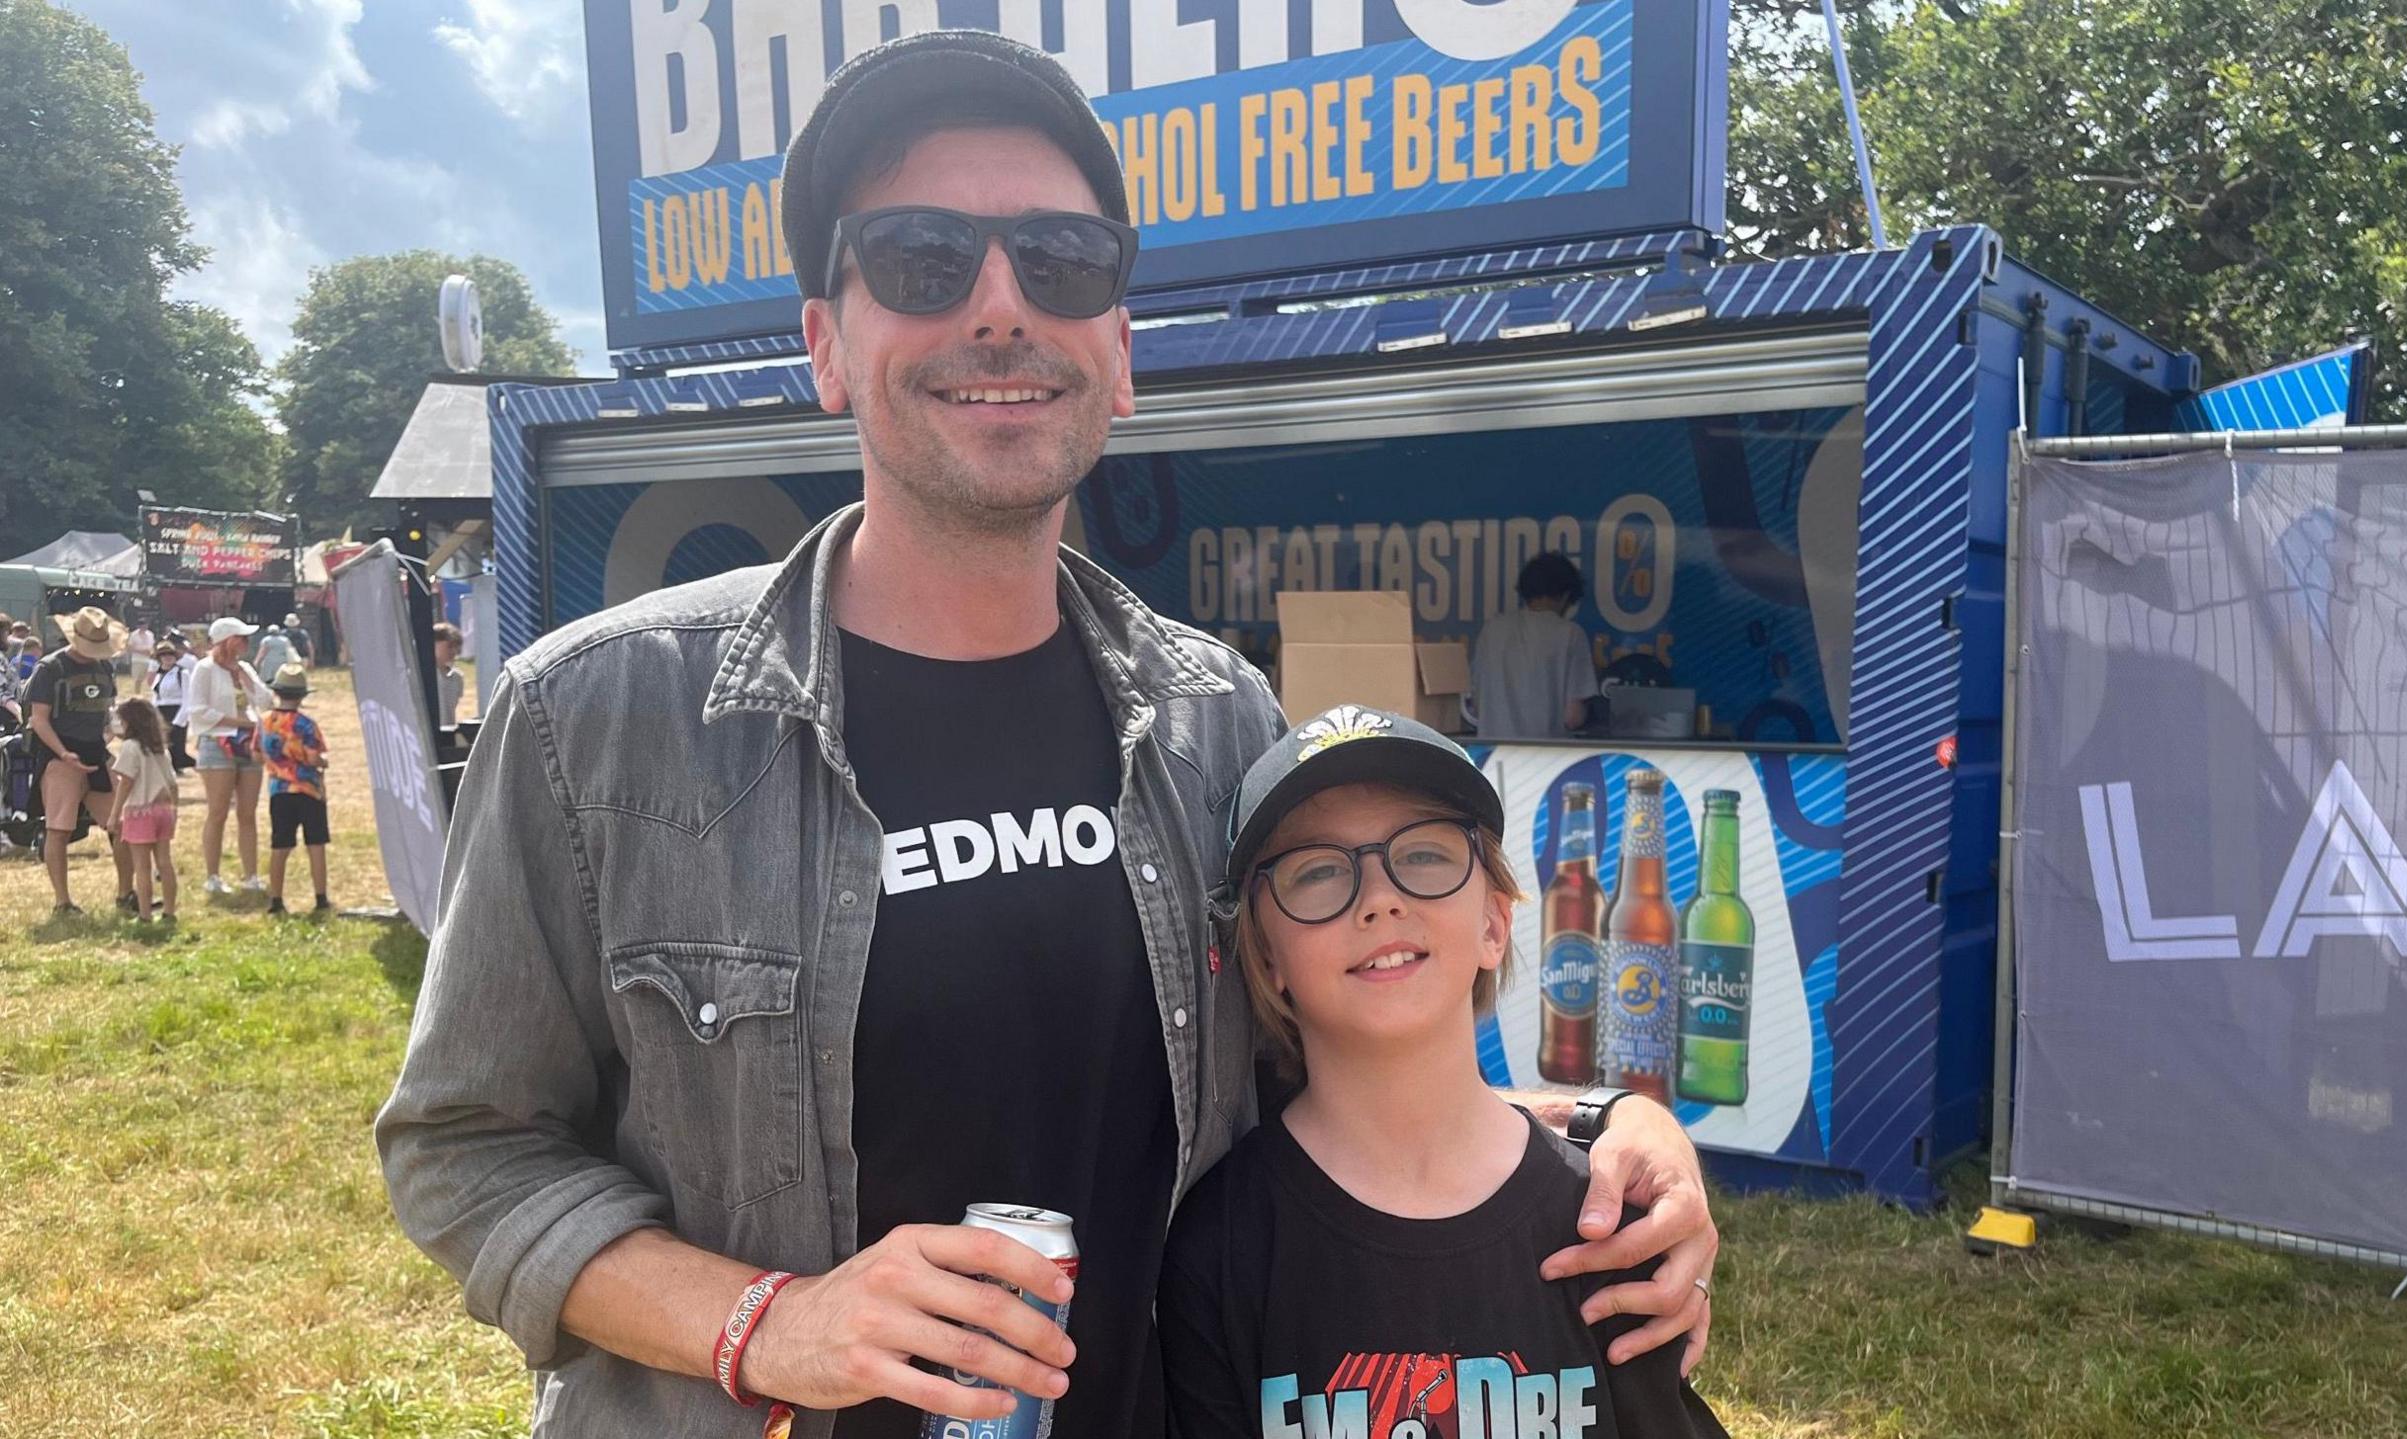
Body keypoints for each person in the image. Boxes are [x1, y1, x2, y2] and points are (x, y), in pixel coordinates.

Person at [377, 31, 1717, 1439]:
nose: (1001, 307)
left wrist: (1603, 1130)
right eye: (920, 255)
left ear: (1120, 353)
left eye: (1064, 261)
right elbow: (468, 1150)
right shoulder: (596, 718)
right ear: (827, 343)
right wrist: (773, 1320)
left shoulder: (1216, 721)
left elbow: (1333, 1053)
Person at [1163, 707, 1729, 1438]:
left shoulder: (1604, 1223)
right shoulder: (1220, 1245)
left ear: (1495, 922)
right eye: (1318, 870)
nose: (1380, 897)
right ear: (1268, 958)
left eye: (1425, 854)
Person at [24, 608, 137, 915]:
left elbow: (108, 711)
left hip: (96, 754)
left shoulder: (105, 668)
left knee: (122, 826)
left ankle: (126, 893)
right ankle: (63, 902)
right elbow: (39, 719)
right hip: (60, 759)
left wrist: (109, 734)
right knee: (58, 829)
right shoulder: (51, 668)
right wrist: (63, 753)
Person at [1469, 553, 1604, 739]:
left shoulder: (1491, 630)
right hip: (1544, 760)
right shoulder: (1570, 634)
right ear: (1565, 595)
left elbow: (1476, 705)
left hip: (1490, 756)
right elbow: (1573, 717)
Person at [186, 616, 272, 894]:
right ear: (226, 641)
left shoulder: (244, 667)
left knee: (248, 812)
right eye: (240, 637)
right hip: (216, 743)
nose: (246, 642)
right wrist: (238, 723)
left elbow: (266, 701)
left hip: (248, 742)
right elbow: (198, 710)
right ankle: (212, 876)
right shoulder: (205, 669)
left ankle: (251, 876)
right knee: (218, 811)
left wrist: (247, 679)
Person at [257, 663, 330, 916]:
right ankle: (321, 898)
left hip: (279, 790)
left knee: (280, 846)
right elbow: (312, 758)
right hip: (309, 789)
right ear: (301, 696)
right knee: (316, 844)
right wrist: (324, 762)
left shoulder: (265, 722)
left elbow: (256, 752)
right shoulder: (306, 725)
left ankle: (276, 899)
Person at [108, 696, 182, 924]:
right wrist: (175, 811)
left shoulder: (131, 748)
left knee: (141, 866)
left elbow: (126, 782)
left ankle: (144, 914)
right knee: (164, 862)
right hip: (163, 810)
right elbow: (173, 784)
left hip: (140, 811)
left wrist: (114, 814)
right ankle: (169, 912)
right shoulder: (161, 750)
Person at [150, 642, 197, 771]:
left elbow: (188, 697)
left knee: (177, 744)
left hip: (177, 710)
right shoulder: (159, 675)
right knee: (165, 743)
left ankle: (183, 765)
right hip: (161, 711)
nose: (167, 657)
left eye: (170, 654)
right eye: (164, 655)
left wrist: (180, 719)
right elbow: (156, 695)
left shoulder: (182, 673)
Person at [432, 622, 465, 728]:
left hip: (447, 733)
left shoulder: (457, 677)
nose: (454, 651)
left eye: (456, 647)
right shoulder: (423, 676)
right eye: (449, 646)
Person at [125, 616, 157, 694]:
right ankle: (137, 694)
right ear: (139, 626)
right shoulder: (133, 635)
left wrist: (151, 653)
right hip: (137, 660)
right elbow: (129, 648)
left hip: (149, 660)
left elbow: (152, 646)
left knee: (151, 678)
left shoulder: (150, 634)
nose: (144, 627)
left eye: (145, 625)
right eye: (142, 625)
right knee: (138, 679)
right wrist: (142, 651)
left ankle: (151, 694)